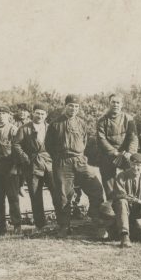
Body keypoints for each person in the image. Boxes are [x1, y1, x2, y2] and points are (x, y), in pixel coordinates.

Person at [45, 95, 106, 238]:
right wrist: (60, 158)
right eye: (71, 105)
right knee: (63, 195)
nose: (73, 109)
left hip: (80, 160)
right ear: (65, 106)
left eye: (76, 106)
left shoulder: (81, 123)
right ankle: (64, 226)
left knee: (96, 187)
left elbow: (84, 141)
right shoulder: (55, 124)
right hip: (62, 162)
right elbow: (49, 145)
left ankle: (95, 218)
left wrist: (78, 155)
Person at [13, 103, 57, 229]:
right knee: (35, 195)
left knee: (56, 192)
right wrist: (25, 157)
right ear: (33, 113)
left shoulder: (50, 128)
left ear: (46, 115)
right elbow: (16, 144)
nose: (39, 116)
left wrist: (54, 158)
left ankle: (62, 222)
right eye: (37, 113)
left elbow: (57, 144)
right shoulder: (24, 128)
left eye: (42, 114)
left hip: (49, 164)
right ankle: (40, 225)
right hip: (32, 165)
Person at [96, 94, 139, 198]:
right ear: (109, 103)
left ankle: (132, 200)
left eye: (118, 102)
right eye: (113, 102)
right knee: (108, 179)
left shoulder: (128, 118)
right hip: (109, 153)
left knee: (132, 173)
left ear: (122, 104)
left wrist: (130, 152)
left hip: (125, 153)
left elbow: (133, 137)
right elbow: (101, 139)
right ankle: (111, 204)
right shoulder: (102, 120)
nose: (115, 105)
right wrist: (114, 152)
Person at [0, 106, 21, 234]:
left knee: (13, 197)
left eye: (4, 114)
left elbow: (18, 150)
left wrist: (15, 167)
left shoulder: (13, 130)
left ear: (9, 116)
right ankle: (0, 226)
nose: (1, 116)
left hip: (10, 168)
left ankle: (17, 225)